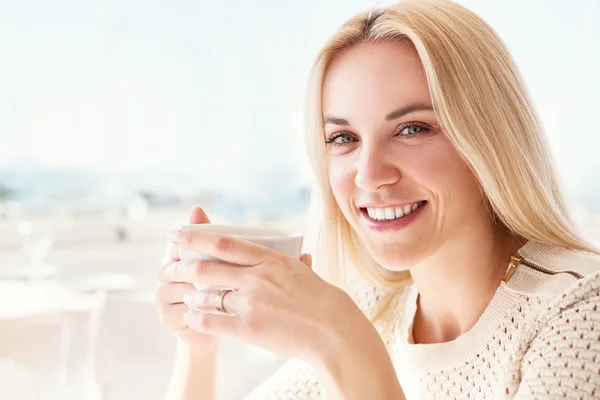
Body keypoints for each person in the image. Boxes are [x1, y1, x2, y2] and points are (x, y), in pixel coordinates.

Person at [155, 0, 600, 398]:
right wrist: (199, 343)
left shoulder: (580, 314)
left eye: (412, 129)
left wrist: (346, 348)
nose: (369, 175)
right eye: (343, 137)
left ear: (489, 139)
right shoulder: (379, 308)